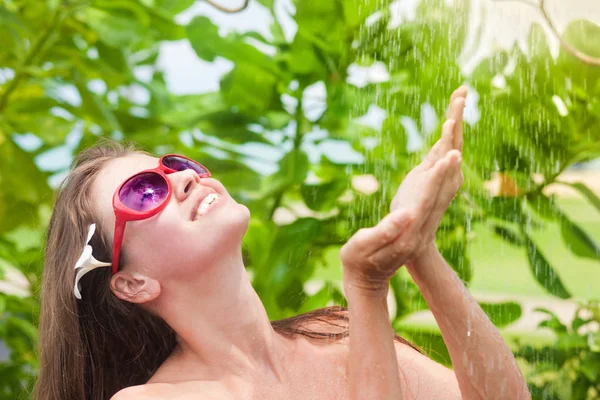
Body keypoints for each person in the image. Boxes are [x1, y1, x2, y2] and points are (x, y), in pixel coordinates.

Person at [34, 87, 530, 400]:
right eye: (144, 193)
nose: (182, 180)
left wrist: (420, 251)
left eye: (176, 166)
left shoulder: (339, 337)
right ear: (132, 282)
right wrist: (368, 286)